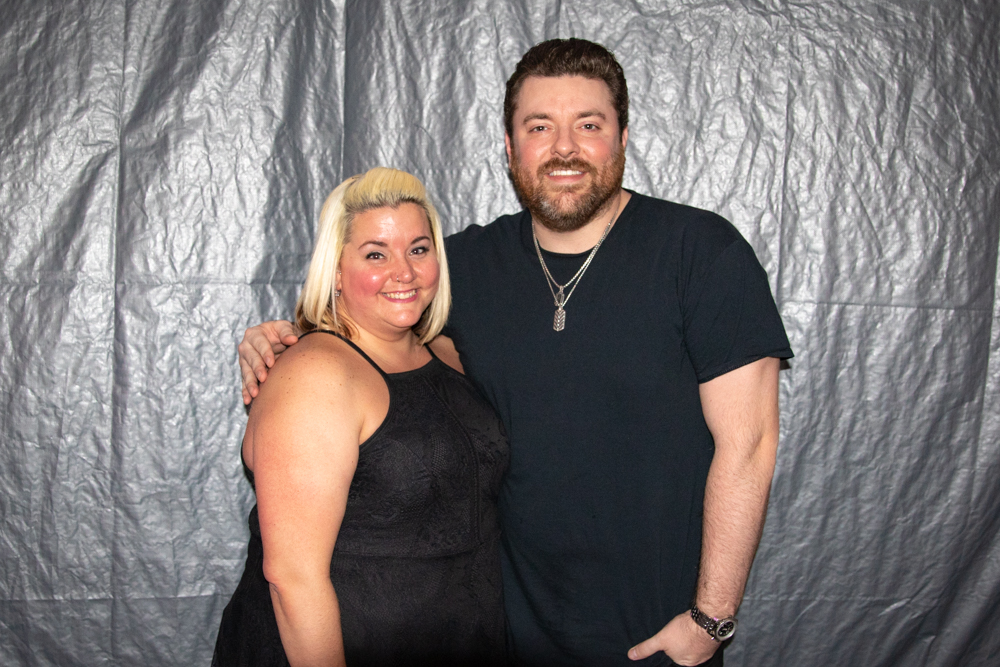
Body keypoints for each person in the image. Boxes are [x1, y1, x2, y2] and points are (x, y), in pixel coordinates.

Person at [239, 39, 793, 667]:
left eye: (589, 125)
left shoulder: (701, 253)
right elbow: (371, 334)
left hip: (654, 637)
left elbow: (749, 443)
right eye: (540, 126)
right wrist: (286, 341)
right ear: (509, 147)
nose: (565, 148)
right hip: (503, 635)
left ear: (622, 137)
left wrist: (710, 617)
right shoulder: (462, 266)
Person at [215, 167, 509, 667]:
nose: (404, 272)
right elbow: (293, 578)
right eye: (376, 254)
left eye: (418, 249)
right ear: (335, 270)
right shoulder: (314, 374)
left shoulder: (448, 352)